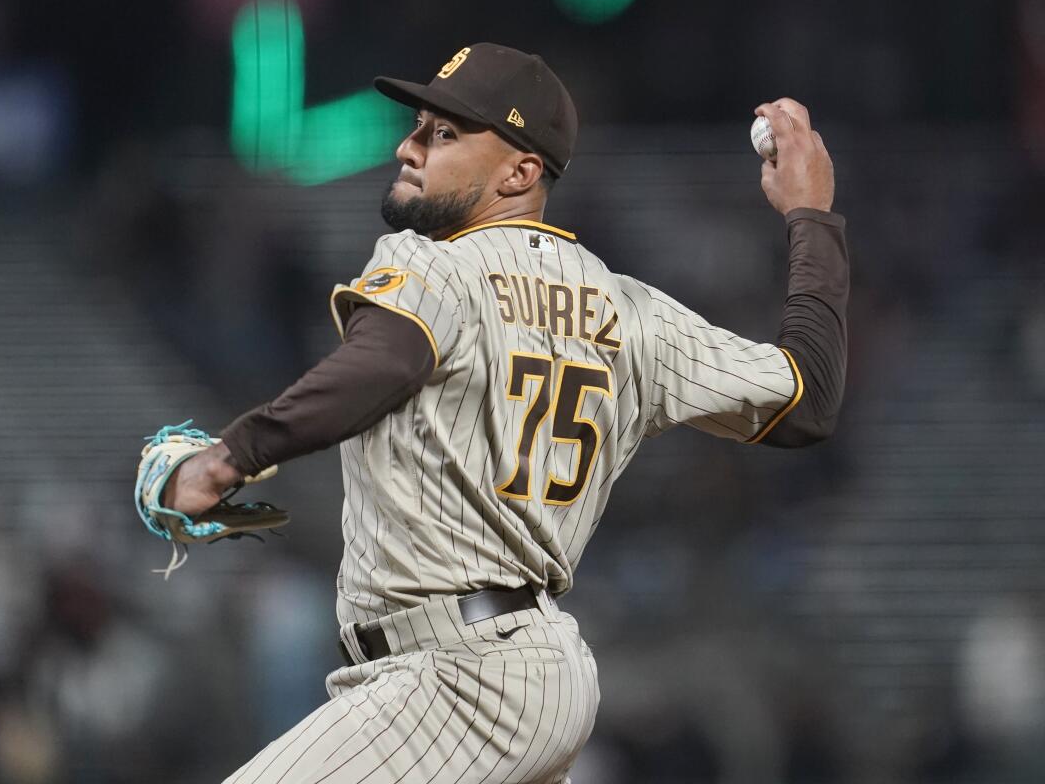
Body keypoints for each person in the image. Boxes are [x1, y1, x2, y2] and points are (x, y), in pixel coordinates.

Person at [163, 42, 849, 784]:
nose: (409, 145)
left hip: (451, 675)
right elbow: (807, 397)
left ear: (521, 171)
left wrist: (226, 457)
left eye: (444, 133)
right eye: (420, 125)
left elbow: (385, 361)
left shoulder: (435, 264)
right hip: (534, 670)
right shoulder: (634, 314)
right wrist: (811, 216)